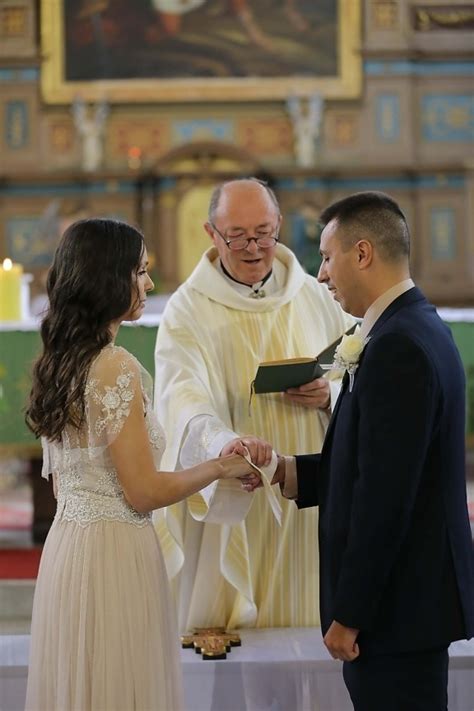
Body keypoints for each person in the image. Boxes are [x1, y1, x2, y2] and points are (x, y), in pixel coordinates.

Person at [24, 218, 255, 710]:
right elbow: (143, 492)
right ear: (110, 277)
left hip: (68, 548)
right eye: (141, 271)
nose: (149, 283)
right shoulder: (115, 366)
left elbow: (73, 485)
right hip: (114, 552)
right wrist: (219, 468)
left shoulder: (59, 361)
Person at [263, 191, 474, 710]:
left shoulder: (397, 345)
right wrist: (292, 472)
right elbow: (383, 464)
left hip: (394, 610)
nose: (321, 274)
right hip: (407, 605)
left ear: (362, 254)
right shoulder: (412, 326)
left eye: (327, 256)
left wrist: (350, 613)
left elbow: (386, 498)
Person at [154, 178, 355, 631]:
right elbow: (181, 395)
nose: (253, 247)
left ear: (279, 225)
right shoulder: (188, 310)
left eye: (263, 233)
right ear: (211, 233)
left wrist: (331, 395)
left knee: (311, 621)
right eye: (238, 236)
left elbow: (356, 374)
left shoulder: (316, 295)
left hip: (311, 492)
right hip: (235, 491)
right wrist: (225, 444)